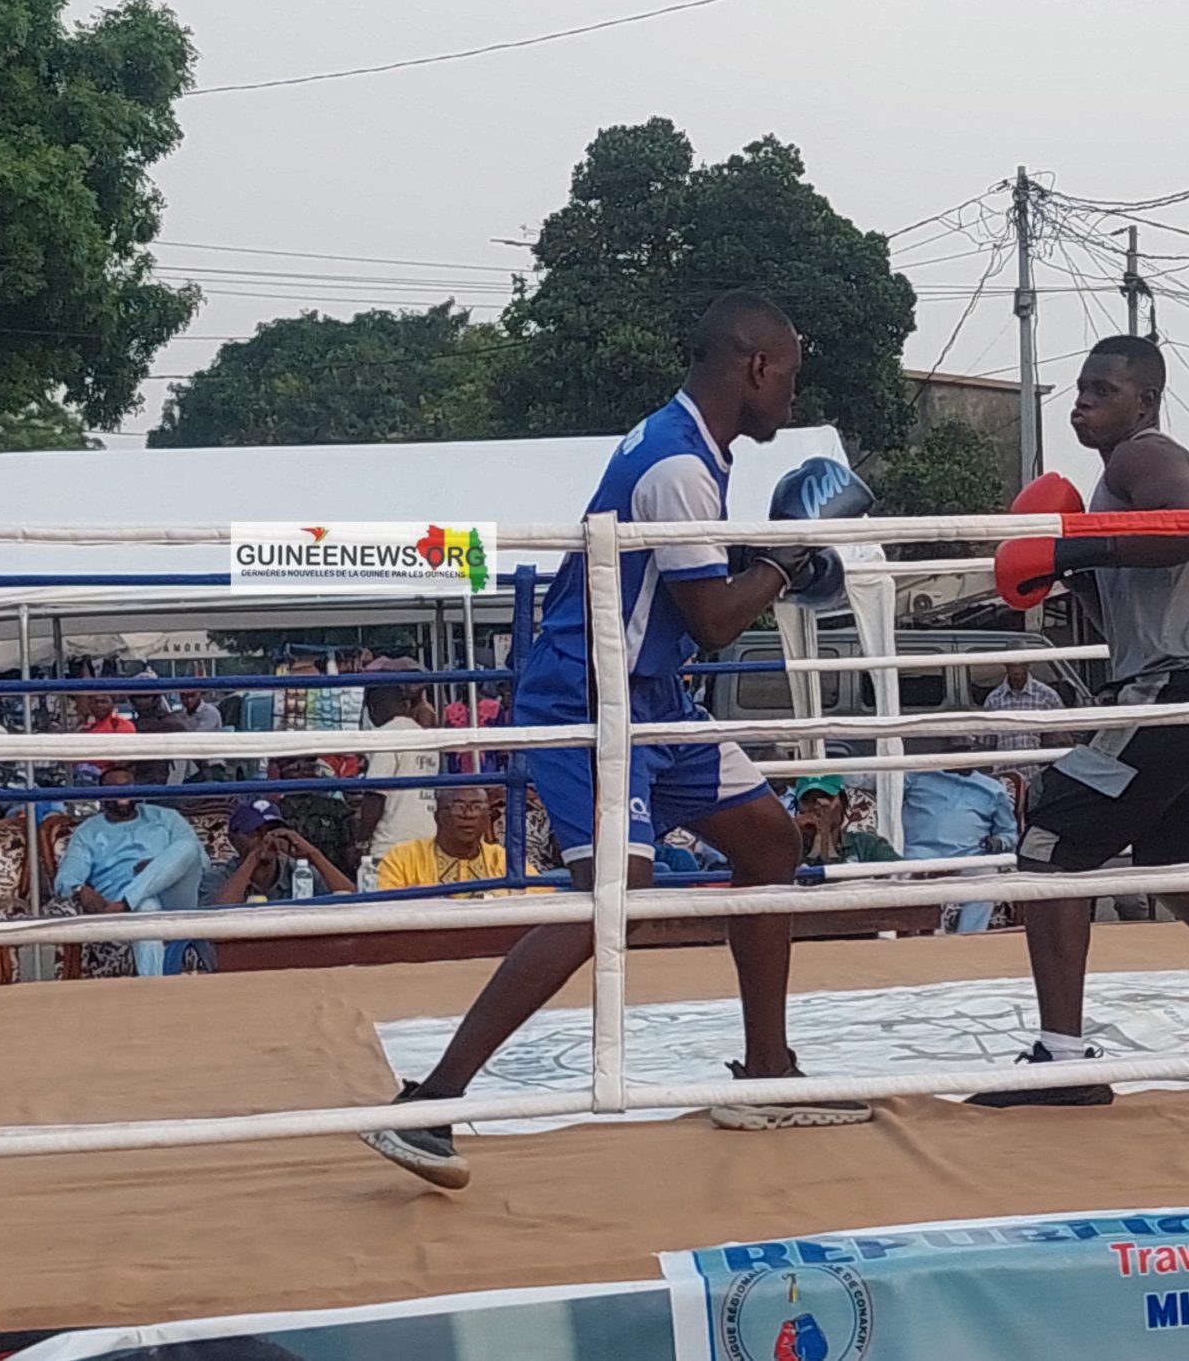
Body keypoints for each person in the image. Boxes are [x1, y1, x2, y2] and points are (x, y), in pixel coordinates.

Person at [363, 291, 873, 1189]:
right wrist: (788, 557)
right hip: (593, 695)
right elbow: (714, 617)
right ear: (755, 367)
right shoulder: (675, 465)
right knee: (614, 890)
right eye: (788, 376)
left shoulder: (688, 452)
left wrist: (772, 559)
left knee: (769, 842)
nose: (792, 399)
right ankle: (430, 1103)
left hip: (651, 694)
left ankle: (767, 1073)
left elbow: (698, 603)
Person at [971, 334, 1189, 1108]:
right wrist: (1070, 567)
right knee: (1172, 857)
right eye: (1081, 389)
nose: (1083, 402)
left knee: (1050, 840)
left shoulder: (1143, 457)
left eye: (1102, 389)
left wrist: (1074, 547)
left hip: (1181, 689)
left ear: (1144, 400)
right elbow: (1124, 597)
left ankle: (1063, 1058)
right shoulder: (1114, 486)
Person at [53, 764, 207, 977]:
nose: (123, 793)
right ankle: (156, 994)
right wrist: (80, 889)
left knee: (187, 847)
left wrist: (160, 866)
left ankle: (125, 902)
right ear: (101, 795)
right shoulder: (88, 831)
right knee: (146, 906)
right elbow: (66, 879)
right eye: (114, 789)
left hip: (175, 897)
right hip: (127, 904)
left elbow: (200, 861)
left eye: (128, 787)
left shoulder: (166, 817)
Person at [901, 766, 1020, 934]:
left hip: (970, 856)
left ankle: (969, 939)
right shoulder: (917, 776)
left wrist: (998, 842)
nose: (961, 747)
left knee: (987, 876)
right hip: (921, 853)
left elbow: (1009, 832)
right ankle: (922, 940)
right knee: (903, 874)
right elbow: (881, 785)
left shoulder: (993, 788)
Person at [357, 683, 441, 877]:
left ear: (373, 708)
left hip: (391, 844)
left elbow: (375, 795)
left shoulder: (387, 736)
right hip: (427, 837)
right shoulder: (426, 739)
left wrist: (361, 841)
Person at [210, 797, 355, 905]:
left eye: (273, 830)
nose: (266, 838)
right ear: (232, 839)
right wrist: (254, 859)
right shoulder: (219, 875)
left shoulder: (298, 871)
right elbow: (217, 916)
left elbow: (350, 898)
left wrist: (312, 854)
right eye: (255, 832)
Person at [374, 787, 510, 895]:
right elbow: (389, 907)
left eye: (477, 807)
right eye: (458, 807)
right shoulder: (402, 858)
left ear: (487, 818)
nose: (468, 815)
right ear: (438, 817)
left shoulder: (503, 860)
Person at [791, 775, 899, 868]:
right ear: (798, 808)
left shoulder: (866, 846)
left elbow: (906, 875)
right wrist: (790, 831)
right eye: (807, 800)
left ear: (843, 803)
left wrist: (825, 834)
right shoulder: (789, 848)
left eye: (826, 797)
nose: (816, 807)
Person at [981, 660, 1066, 755]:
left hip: (1038, 766)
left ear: (1027, 665)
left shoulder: (1047, 696)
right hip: (1004, 767)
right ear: (1006, 666)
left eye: (1021, 664)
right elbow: (987, 743)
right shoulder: (994, 699)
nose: (1017, 670)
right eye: (1013, 665)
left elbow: (1061, 738)